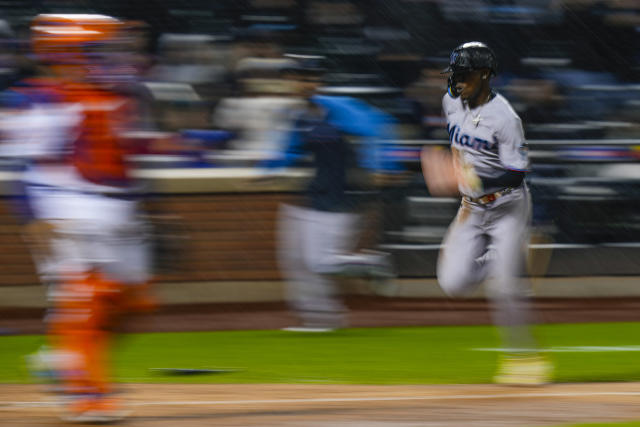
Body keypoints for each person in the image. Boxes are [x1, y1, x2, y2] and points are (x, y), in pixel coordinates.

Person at [0, 14, 155, 422]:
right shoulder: (41, 96)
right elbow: (27, 163)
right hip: (69, 205)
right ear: (66, 52)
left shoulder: (122, 96)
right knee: (86, 297)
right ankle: (85, 394)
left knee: (132, 303)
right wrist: (33, 218)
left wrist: (151, 206)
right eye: (101, 49)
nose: (114, 57)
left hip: (121, 209)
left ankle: (60, 360)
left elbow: (128, 160)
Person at [421, 42, 552, 385]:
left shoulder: (505, 118)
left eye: (463, 74)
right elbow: (456, 145)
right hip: (471, 209)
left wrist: (472, 178)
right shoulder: (450, 101)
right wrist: (446, 168)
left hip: (507, 206)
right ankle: (511, 259)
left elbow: (517, 172)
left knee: (505, 288)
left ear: (484, 75)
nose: (457, 81)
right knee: (453, 283)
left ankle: (525, 359)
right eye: (455, 74)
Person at [261, 55, 399, 332]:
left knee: (319, 262)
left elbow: (379, 126)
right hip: (312, 196)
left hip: (341, 197)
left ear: (319, 82)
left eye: (310, 78)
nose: (303, 84)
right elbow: (290, 149)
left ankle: (372, 262)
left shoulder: (338, 109)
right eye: (299, 78)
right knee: (295, 261)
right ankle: (321, 319)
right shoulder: (300, 116)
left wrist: (380, 164)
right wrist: (267, 170)